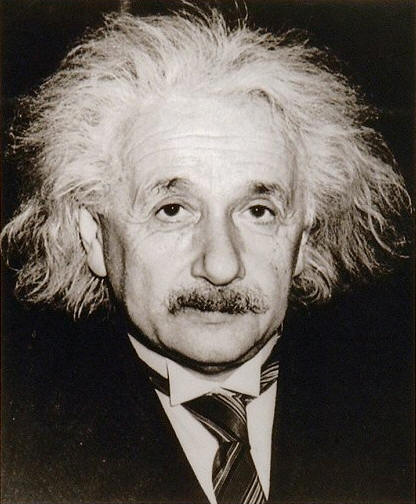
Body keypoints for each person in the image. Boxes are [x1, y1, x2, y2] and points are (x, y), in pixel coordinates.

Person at [1, 7, 412, 504]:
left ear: (303, 239)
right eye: (172, 210)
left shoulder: (395, 415)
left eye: (258, 212)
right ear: (93, 236)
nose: (220, 266)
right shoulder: (18, 438)